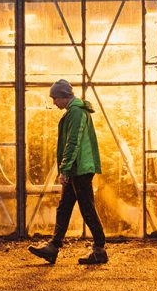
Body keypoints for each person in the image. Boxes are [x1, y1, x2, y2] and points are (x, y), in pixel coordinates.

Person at [28, 79, 108, 265]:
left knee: (87, 208)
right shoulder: (73, 112)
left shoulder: (77, 113)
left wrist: (64, 169)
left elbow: (74, 142)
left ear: (64, 97)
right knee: (64, 207)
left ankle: (100, 249)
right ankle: (53, 248)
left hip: (80, 168)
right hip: (75, 167)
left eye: (55, 98)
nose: (54, 102)